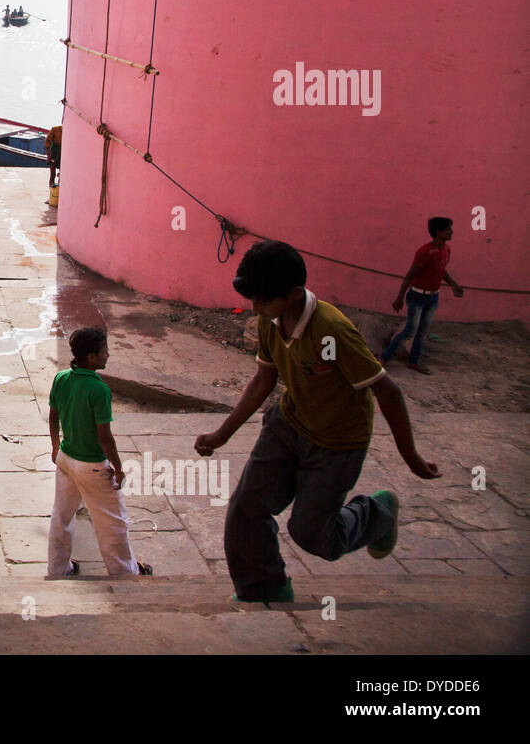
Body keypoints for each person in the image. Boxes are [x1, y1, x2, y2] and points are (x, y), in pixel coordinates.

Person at [195, 241, 440, 603]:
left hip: (337, 444)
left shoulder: (332, 332)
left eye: (263, 301)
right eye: (253, 300)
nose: (256, 309)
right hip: (287, 425)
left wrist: (411, 458)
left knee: (311, 535)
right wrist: (221, 434)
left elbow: (387, 391)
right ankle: (267, 589)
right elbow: (264, 379)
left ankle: (376, 513)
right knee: (246, 509)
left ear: (294, 294)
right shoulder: (270, 321)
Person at [48, 326, 152, 578]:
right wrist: (117, 467)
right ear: (91, 357)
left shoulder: (61, 378)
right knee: (112, 522)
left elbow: (53, 415)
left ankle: (59, 568)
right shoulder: (99, 390)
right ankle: (124, 574)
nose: (108, 356)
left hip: (65, 457)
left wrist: (54, 447)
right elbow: (104, 437)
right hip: (92, 465)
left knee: (62, 516)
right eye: (104, 352)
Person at [380, 216, 464, 374]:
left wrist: (453, 284)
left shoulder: (446, 249)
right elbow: (410, 276)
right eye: (448, 229)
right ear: (438, 232)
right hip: (417, 297)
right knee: (410, 331)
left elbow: (441, 270)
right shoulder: (425, 252)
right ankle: (384, 358)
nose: (451, 232)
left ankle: (414, 361)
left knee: (422, 332)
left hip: (433, 297)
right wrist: (399, 298)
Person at [44, 124, 63, 189]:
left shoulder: (70, 131)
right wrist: (48, 154)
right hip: (54, 152)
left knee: (62, 174)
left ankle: (60, 190)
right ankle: (51, 190)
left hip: (63, 153)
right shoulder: (55, 129)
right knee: (53, 174)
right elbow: (47, 141)